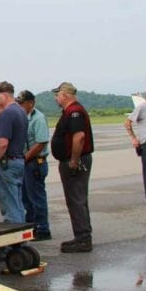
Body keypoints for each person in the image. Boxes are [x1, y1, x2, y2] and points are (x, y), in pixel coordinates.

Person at [50, 82, 95, 253]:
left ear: (65, 95)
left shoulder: (74, 111)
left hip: (75, 160)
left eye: (57, 95)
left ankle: (83, 238)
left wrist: (74, 160)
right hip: (72, 159)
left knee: (76, 199)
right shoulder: (71, 111)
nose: (56, 98)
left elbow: (79, 137)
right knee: (77, 198)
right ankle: (82, 235)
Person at [0, 81, 28, 224]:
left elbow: (3, 143)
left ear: (3, 95)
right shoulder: (21, 111)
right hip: (17, 161)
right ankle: (21, 232)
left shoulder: (7, 113)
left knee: (9, 207)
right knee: (17, 204)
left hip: (6, 164)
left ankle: (13, 233)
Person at [16, 90, 51, 240]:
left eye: (22, 103)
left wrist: (25, 157)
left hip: (35, 162)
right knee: (26, 198)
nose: (20, 106)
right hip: (26, 163)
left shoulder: (38, 118)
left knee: (37, 198)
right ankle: (31, 227)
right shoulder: (22, 118)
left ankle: (42, 229)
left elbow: (41, 142)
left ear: (31, 103)